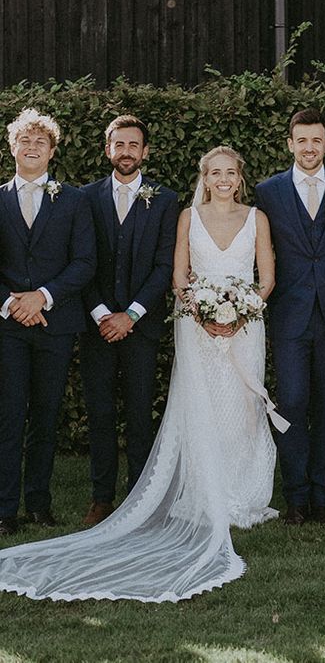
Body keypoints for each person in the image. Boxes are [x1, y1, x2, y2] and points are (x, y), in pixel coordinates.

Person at [0, 146, 286, 601]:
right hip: (174, 324)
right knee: (182, 409)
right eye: (215, 172)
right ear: (205, 177)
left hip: (234, 326)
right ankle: (132, 496)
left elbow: (258, 276)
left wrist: (241, 310)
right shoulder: (100, 200)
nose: (224, 179)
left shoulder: (204, 208)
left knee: (237, 409)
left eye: (231, 172)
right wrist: (195, 310)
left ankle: (238, 495)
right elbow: (156, 272)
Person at [254, 108, 325, 525]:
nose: (310, 147)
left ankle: (323, 496)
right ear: (290, 144)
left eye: (317, 140)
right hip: (290, 316)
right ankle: (295, 496)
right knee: (293, 403)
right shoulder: (269, 191)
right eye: (302, 140)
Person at [0, 108, 96, 537]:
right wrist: (12, 303)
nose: (33, 147)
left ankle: (39, 503)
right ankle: (5, 509)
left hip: (55, 325)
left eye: (41, 142)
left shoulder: (73, 200)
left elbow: (84, 262)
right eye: (26, 140)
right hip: (7, 326)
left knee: (45, 415)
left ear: (53, 151)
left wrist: (43, 297)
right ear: (12, 147)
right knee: (7, 417)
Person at [79, 115, 178, 526]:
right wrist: (104, 314)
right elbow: (81, 263)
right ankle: (102, 498)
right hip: (96, 326)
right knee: (100, 413)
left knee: (139, 413)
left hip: (141, 326)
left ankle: (139, 499)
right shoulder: (85, 198)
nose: (126, 152)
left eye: (133, 145)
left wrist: (131, 315)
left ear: (145, 151)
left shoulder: (165, 200)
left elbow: (163, 265)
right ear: (108, 150)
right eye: (119, 145)